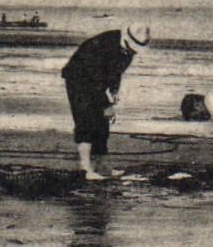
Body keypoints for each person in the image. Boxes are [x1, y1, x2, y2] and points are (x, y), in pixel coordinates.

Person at [61, 25, 149, 180]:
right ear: (126, 40)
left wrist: (114, 91)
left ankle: (102, 167)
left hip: (95, 81)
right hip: (78, 78)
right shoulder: (102, 45)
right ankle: (85, 169)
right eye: (132, 49)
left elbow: (116, 72)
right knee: (86, 121)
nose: (133, 53)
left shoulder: (128, 50)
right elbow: (93, 78)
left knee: (102, 123)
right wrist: (106, 105)